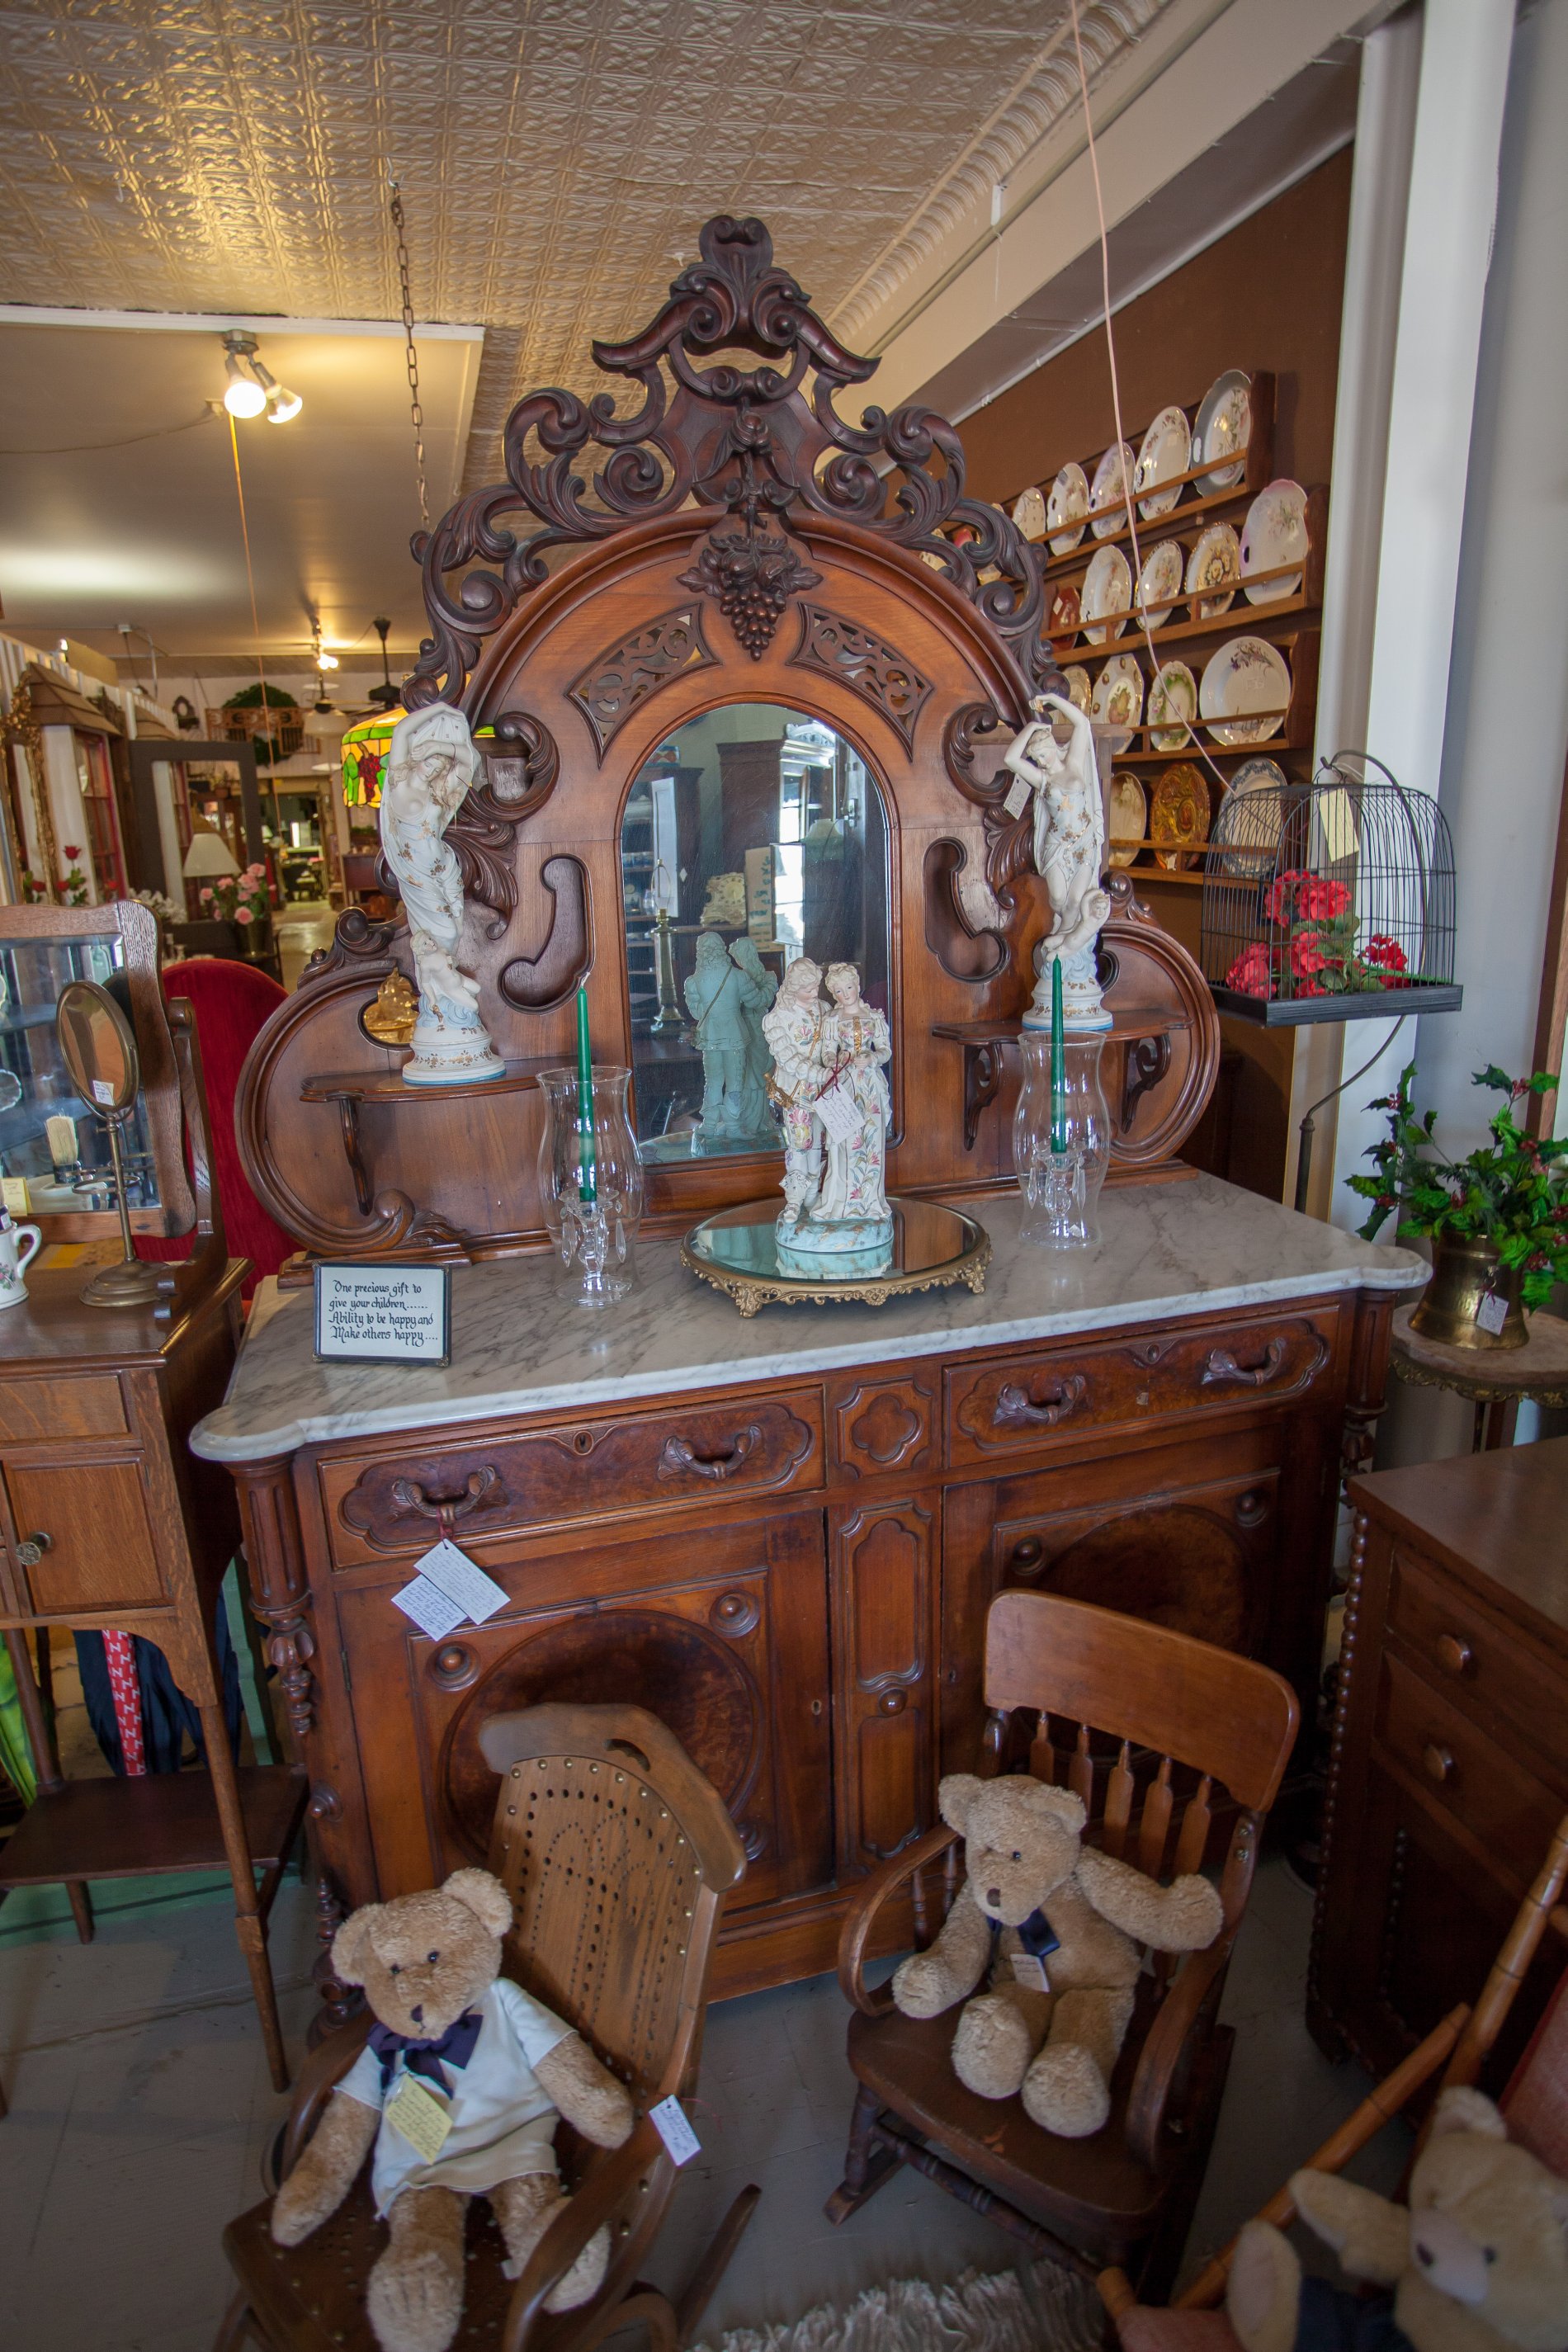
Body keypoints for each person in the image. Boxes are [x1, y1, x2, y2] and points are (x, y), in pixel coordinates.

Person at [809, 962, 892, 1232]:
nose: (846, 994)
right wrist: (836, 1059)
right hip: (845, 1085)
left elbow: (884, 1050)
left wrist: (872, 1057)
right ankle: (843, 1203)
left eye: (849, 987)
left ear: (858, 985)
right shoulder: (833, 1020)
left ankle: (870, 1202)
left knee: (872, 1141)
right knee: (844, 1143)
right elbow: (827, 1052)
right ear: (834, 994)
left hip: (869, 1086)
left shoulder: (874, 1017)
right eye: (840, 991)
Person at [761, 956, 827, 1227]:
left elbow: (833, 1043)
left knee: (819, 1141)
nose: (814, 994)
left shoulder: (825, 1008)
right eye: (808, 989)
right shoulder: (777, 1019)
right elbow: (787, 1058)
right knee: (799, 1143)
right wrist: (818, 1073)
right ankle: (795, 1199)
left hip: (824, 1091)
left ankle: (813, 1194)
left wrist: (832, 1063)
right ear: (793, 988)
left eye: (816, 988)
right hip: (797, 1090)